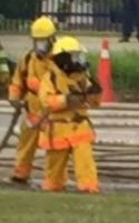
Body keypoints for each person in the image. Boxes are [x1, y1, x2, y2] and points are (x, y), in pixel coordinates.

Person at [37, 36, 102, 193]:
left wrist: (96, 93)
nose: (79, 60)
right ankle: (53, 186)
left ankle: (88, 187)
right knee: (55, 163)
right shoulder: (51, 78)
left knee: (84, 159)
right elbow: (47, 101)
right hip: (58, 127)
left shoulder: (82, 78)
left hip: (79, 126)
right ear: (64, 59)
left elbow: (94, 102)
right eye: (75, 56)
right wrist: (66, 99)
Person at [7, 17, 57, 185]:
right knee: (26, 142)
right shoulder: (28, 58)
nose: (39, 44)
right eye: (37, 40)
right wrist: (14, 97)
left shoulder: (60, 59)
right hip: (33, 109)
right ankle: (20, 173)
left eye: (42, 40)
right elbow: (17, 81)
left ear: (52, 38)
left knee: (54, 147)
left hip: (53, 111)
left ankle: (53, 180)